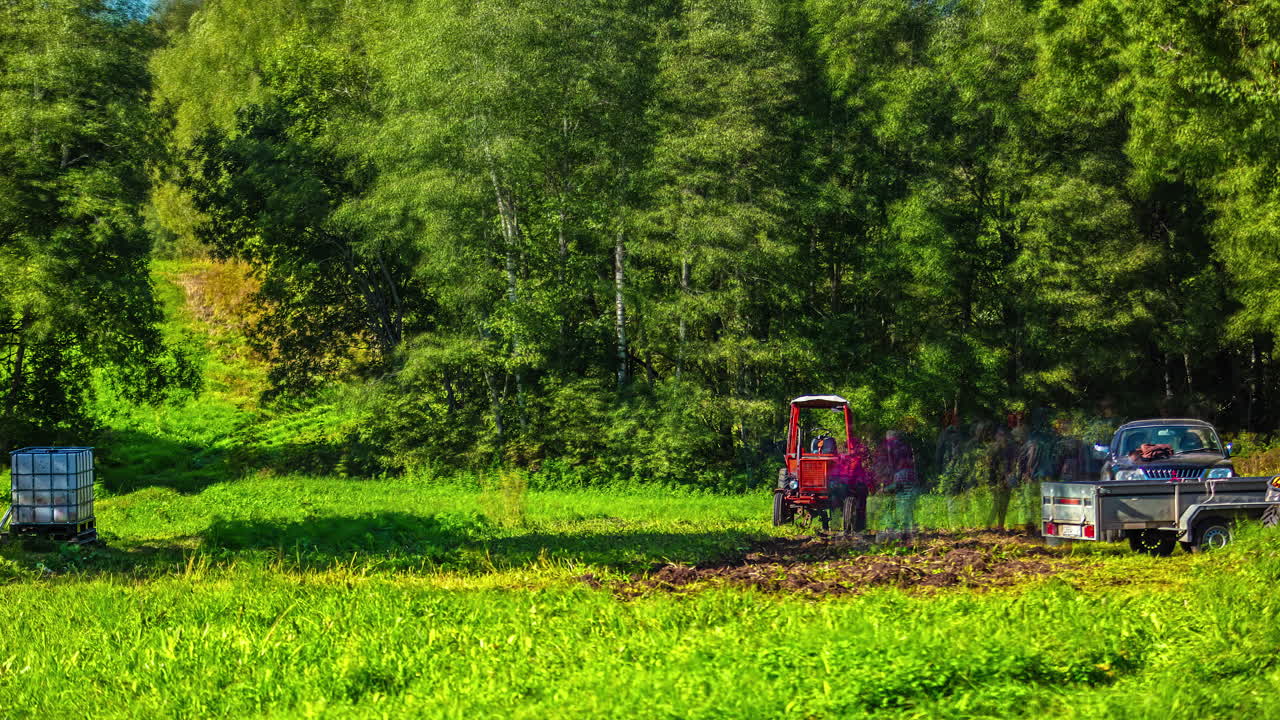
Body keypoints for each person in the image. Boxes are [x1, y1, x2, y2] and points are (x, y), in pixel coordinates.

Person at [875, 429, 919, 536]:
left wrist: (884, 484)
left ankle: (899, 527)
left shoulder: (888, 445)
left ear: (888, 437)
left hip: (899, 475)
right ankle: (911, 527)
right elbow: (912, 460)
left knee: (900, 501)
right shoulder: (905, 445)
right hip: (911, 474)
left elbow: (889, 463)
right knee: (909, 501)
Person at [984, 426, 1018, 530]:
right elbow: (989, 464)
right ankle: (988, 524)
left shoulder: (1010, 448)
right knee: (997, 503)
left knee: (1005, 503)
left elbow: (1013, 462)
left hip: (1006, 478)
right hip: (995, 479)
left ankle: (1000, 526)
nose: (1001, 437)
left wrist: (1010, 475)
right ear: (996, 436)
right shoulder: (993, 449)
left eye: (1003, 435)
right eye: (999, 435)